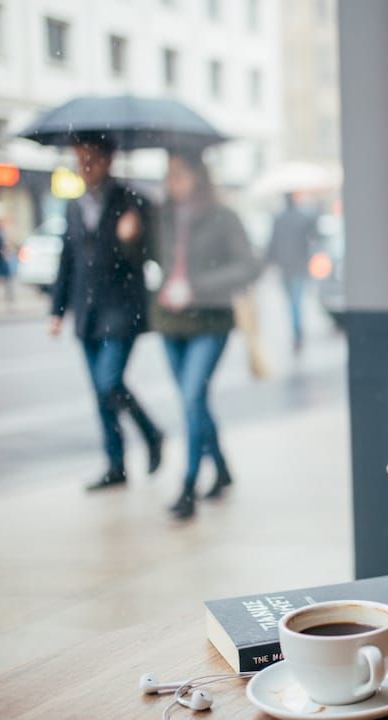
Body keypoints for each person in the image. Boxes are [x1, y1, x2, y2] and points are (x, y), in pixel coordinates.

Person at [150, 149, 260, 520]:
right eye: (169, 175)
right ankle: (222, 468)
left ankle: (189, 484)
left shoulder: (222, 217)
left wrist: (197, 286)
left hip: (210, 319)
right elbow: (151, 258)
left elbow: (248, 266)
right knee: (193, 401)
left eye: (180, 174)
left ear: (198, 175)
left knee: (192, 396)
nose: (173, 182)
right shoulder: (162, 216)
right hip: (170, 321)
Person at [49, 138, 164, 491]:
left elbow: (151, 253)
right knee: (100, 393)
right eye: (80, 160)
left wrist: (133, 236)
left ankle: (151, 433)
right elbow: (67, 260)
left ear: (108, 160)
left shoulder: (132, 201)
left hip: (122, 307)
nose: (85, 167)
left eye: (91, 159)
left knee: (109, 382)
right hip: (87, 311)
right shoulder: (73, 205)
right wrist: (57, 310)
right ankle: (116, 464)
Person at [265, 192, 317, 353]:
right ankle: (297, 332)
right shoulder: (303, 217)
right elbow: (312, 239)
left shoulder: (279, 218)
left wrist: (270, 261)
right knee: (296, 301)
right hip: (298, 266)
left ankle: (297, 332)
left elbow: (272, 243)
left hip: (286, 266)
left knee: (292, 302)